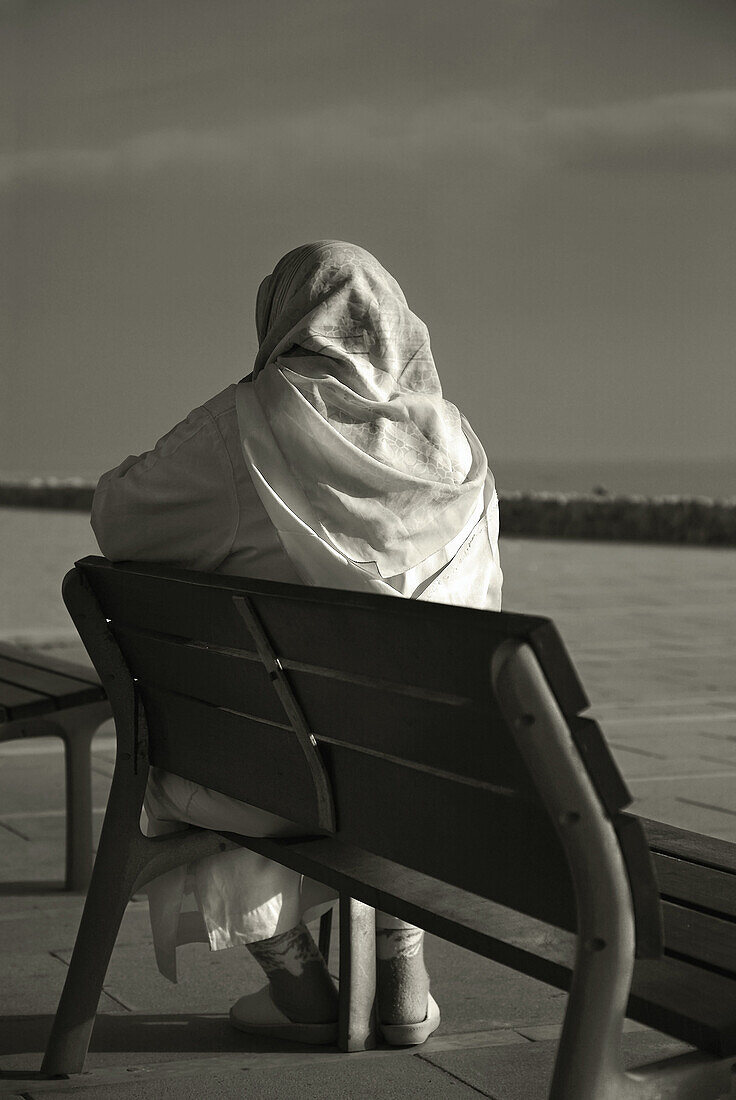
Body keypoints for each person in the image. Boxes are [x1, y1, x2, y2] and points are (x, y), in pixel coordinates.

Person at [91, 240, 503, 1047]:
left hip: (269, 778)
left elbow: (118, 515)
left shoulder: (241, 426)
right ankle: (405, 971)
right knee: (372, 732)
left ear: (282, 317)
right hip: (431, 781)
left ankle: (297, 980)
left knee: (215, 728)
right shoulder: (455, 447)